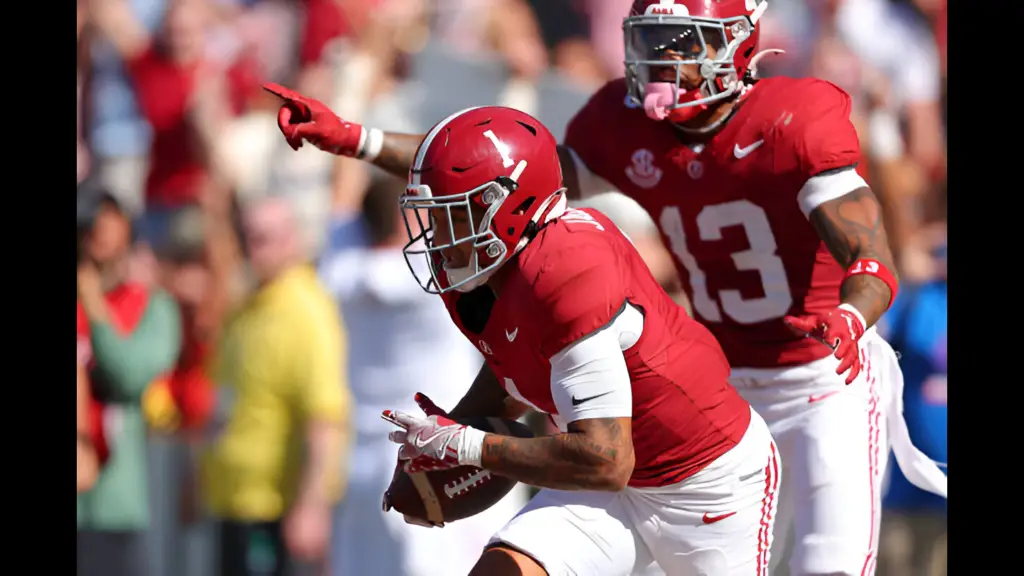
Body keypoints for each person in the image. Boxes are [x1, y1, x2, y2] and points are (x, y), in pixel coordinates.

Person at [257, 1, 948, 573]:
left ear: (738, 46)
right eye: (648, 42)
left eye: (682, 44)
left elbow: (869, 254)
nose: (660, 63)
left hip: (819, 376)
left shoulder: (794, 120)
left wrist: (853, 317)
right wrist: (359, 139)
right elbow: (492, 169)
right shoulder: (618, 135)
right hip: (720, 377)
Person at [318, 105, 779, 575]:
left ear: (506, 206)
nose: (437, 235)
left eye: (453, 216)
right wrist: (442, 441)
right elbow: (512, 370)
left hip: (705, 483)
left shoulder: (568, 267)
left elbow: (605, 458)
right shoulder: (484, 273)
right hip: (609, 489)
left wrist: (469, 446)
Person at [319, 173, 526, 576]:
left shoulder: (341, 273)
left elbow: (340, 217)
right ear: (403, 222)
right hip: (447, 461)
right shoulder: (436, 278)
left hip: (364, 464)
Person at [201, 195, 352, 576]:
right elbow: (225, 402)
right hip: (235, 501)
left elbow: (323, 417)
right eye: (247, 236)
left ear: (292, 241)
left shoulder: (306, 311)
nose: (253, 247)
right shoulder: (247, 306)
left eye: (264, 237)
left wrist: (312, 504)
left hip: (275, 508)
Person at [76, 179, 183, 576]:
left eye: (108, 221)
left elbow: (128, 375)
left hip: (112, 504)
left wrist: (93, 305)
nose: (97, 233)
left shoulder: (152, 308)